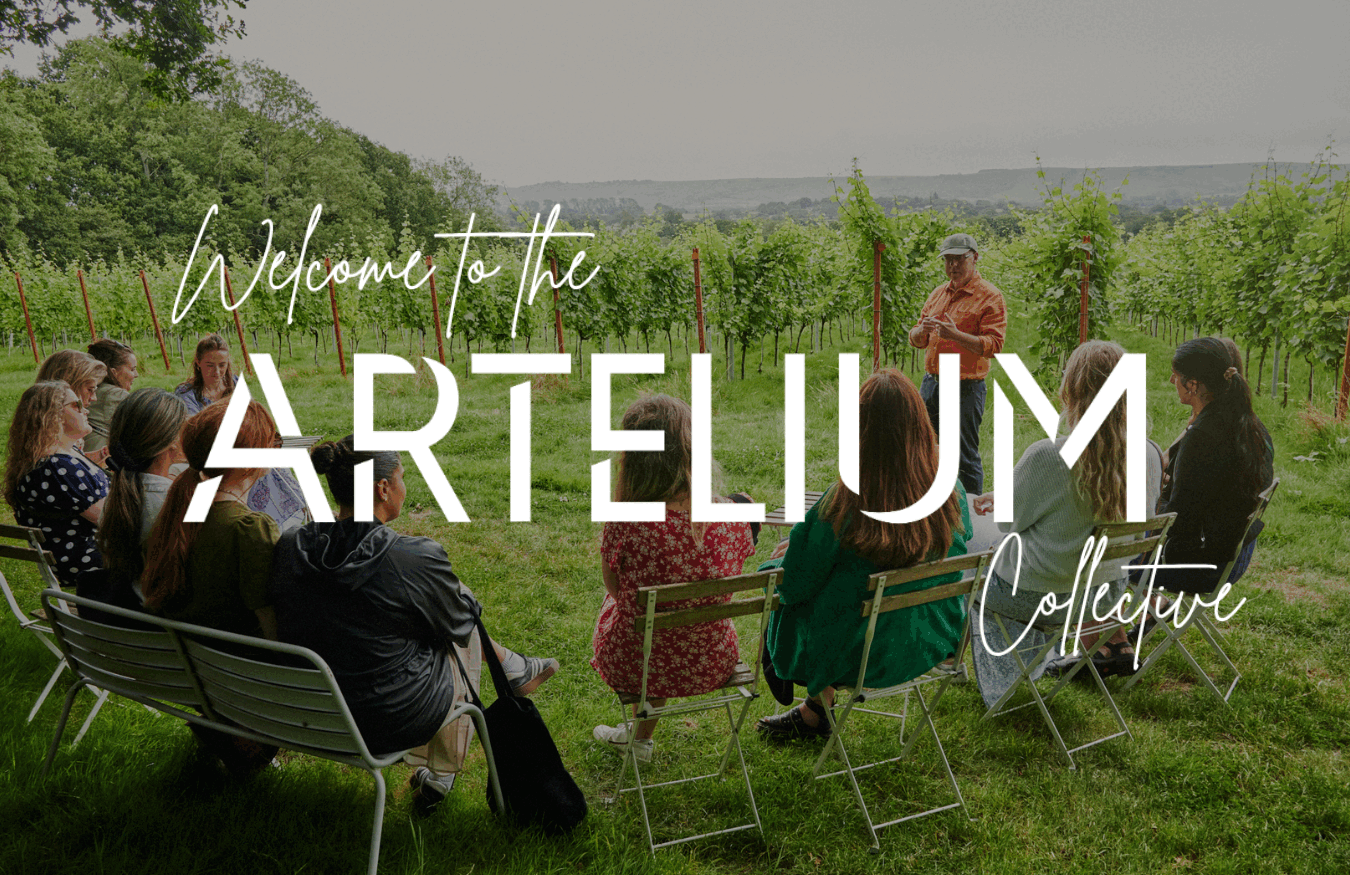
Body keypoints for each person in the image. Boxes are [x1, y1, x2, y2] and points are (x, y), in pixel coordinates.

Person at [269, 437, 558, 814]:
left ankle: (514, 668)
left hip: (306, 709)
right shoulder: (412, 557)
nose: (406, 487)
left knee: (434, 612)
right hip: (382, 720)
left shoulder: (292, 544)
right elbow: (461, 621)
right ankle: (442, 771)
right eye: (402, 477)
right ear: (382, 488)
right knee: (451, 631)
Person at [755, 369, 970, 740]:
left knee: (784, 587)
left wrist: (784, 559)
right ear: (921, 424)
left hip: (859, 653)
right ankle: (814, 712)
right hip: (928, 639)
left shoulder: (844, 502)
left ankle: (814, 702)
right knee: (841, 586)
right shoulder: (951, 488)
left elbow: (796, 585)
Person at [969, 341, 1162, 703]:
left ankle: (968, 668)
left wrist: (1008, 502)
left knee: (971, 544)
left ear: (1070, 389)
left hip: (1034, 596)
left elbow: (1007, 525)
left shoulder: (1048, 456)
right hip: (1101, 598)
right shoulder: (1149, 454)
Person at [590, 394, 756, 762]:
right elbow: (740, 559)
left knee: (643, 619)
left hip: (640, 661)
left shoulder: (627, 522)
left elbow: (614, 588)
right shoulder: (730, 514)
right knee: (664, 617)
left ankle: (639, 739)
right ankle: (640, 739)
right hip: (710, 659)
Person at [141, 399, 282, 639]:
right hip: (243, 665)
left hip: (196, 662)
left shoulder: (182, 512)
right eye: (271, 442)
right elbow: (273, 627)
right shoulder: (248, 528)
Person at [1153, 337, 1273, 594]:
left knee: (1099, 555)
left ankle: (1107, 632)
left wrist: (1150, 507)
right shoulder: (1251, 424)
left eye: (1176, 376)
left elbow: (1178, 522)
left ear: (1192, 385)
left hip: (1199, 568)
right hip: (1235, 557)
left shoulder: (1203, 437)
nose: (1172, 381)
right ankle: (1150, 613)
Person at [174, 333, 309, 533]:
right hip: (208, 457)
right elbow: (194, 437)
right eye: (210, 365)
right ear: (198, 363)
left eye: (223, 365)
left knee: (272, 466)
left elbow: (251, 418)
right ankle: (254, 527)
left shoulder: (235, 384)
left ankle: (285, 522)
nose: (217, 372)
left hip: (239, 448)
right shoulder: (186, 395)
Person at [907, 232, 1007, 496]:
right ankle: (931, 508)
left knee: (963, 455)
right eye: (948, 260)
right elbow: (916, 338)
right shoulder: (938, 294)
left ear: (974, 258)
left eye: (959, 259)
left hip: (965, 386)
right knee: (924, 447)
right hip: (932, 383)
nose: (952, 266)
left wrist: (955, 335)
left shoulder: (990, 297)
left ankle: (972, 519)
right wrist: (921, 331)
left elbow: (994, 345)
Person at [3, 381, 110, 586]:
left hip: (88, 556)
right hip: (91, 562)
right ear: (52, 415)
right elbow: (113, 521)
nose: (85, 409)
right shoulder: (56, 468)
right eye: (76, 405)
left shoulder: (61, 457)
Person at [92, 388, 189, 608]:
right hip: (175, 625)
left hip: (136, 611)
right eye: (187, 426)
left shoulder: (122, 496)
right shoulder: (176, 505)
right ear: (172, 442)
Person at [36, 349, 110, 466]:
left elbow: (74, 460)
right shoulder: (50, 433)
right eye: (90, 390)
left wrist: (103, 454)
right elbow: (65, 466)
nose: (94, 398)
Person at [84, 339, 139, 454]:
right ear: (113, 372)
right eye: (132, 369)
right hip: (102, 463)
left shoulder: (93, 389)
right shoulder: (116, 395)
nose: (136, 374)